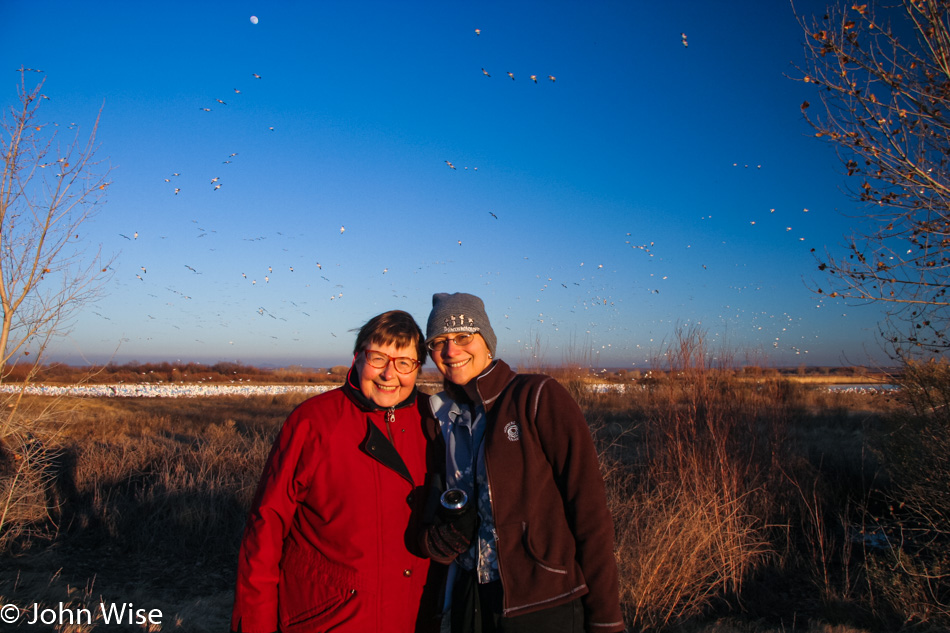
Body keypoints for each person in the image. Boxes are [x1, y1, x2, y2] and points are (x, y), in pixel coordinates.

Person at [418, 293, 625, 633]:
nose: (451, 351)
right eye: (438, 342)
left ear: (487, 342)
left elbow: (589, 510)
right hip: (469, 598)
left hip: (543, 600)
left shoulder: (536, 397)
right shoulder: (440, 418)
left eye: (462, 337)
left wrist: (606, 618)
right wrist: (438, 538)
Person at [231, 310, 440, 633]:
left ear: (417, 369)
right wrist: (256, 625)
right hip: (329, 619)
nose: (389, 374)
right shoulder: (314, 422)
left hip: (414, 618)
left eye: (404, 363)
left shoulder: (434, 423)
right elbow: (266, 528)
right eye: (378, 358)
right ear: (357, 358)